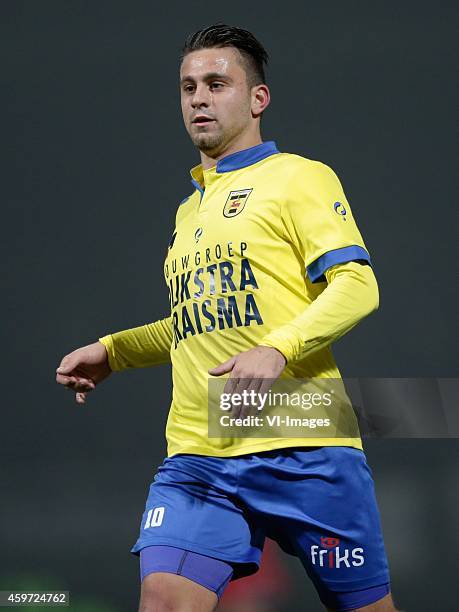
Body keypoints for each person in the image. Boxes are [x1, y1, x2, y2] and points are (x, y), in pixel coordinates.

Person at [56, 24, 398, 612]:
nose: (199, 99)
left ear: (257, 99)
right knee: (162, 601)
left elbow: (357, 285)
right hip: (199, 453)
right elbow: (192, 325)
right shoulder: (190, 208)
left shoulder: (298, 177)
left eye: (217, 84)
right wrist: (115, 350)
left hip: (303, 441)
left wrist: (279, 349)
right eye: (189, 87)